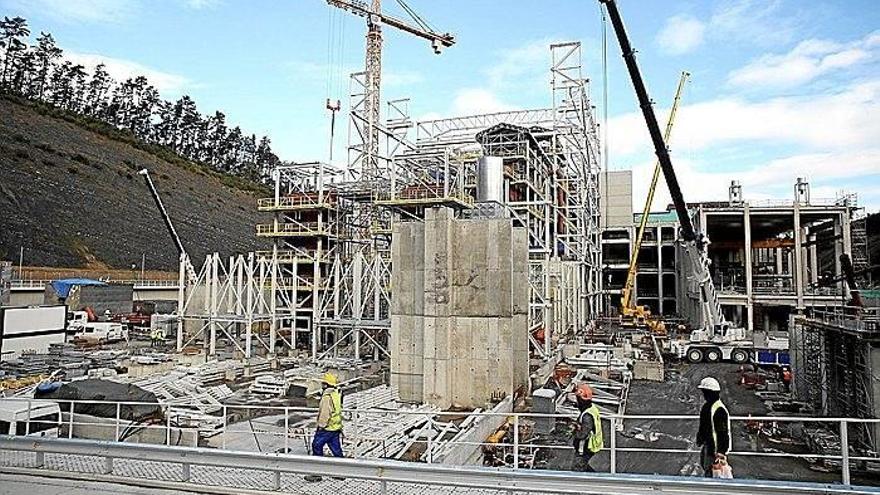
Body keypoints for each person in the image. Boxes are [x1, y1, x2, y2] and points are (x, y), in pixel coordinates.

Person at [305, 372, 344, 482]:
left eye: (323, 383)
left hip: (327, 428)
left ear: (326, 385)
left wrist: (321, 426)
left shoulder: (327, 397)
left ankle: (317, 474)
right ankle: (341, 473)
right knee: (336, 450)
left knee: (316, 446)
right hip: (335, 427)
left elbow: (325, 413)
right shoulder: (336, 394)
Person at [696, 377, 731, 477]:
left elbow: (723, 432)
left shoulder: (718, 409)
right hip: (709, 446)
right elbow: (704, 426)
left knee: (713, 473)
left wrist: (721, 451)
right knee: (709, 470)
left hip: (714, 449)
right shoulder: (709, 407)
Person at [572, 383, 603, 472]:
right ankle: (596, 479)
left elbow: (582, 435)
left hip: (586, 446)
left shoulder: (587, 416)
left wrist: (573, 430)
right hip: (592, 444)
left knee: (578, 467)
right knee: (583, 465)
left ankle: (595, 482)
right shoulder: (592, 408)